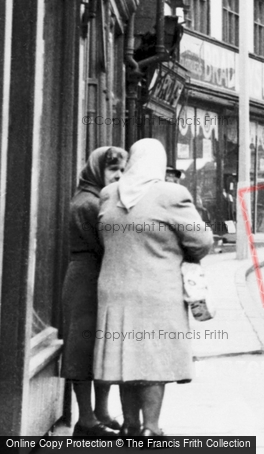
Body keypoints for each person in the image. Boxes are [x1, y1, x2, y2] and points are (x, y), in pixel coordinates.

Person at [94, 139, 213, 437]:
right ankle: (151, 427)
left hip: (114, 289)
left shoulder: (109, 194)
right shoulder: (170, 194)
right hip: (157, 290)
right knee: (153, 357)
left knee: (124, 358)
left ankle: (130, 426)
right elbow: (202, 241)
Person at [61, 146, 127, 437]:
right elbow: (104, 243)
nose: (118, 176)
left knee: (101, 345)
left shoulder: (101, 197)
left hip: (97, 274)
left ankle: (100, 412)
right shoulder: (88, 202)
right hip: (87, 278)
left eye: (123, 171)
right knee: (83, 347)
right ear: (97, 170)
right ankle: (85, 420)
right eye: (113, 170)